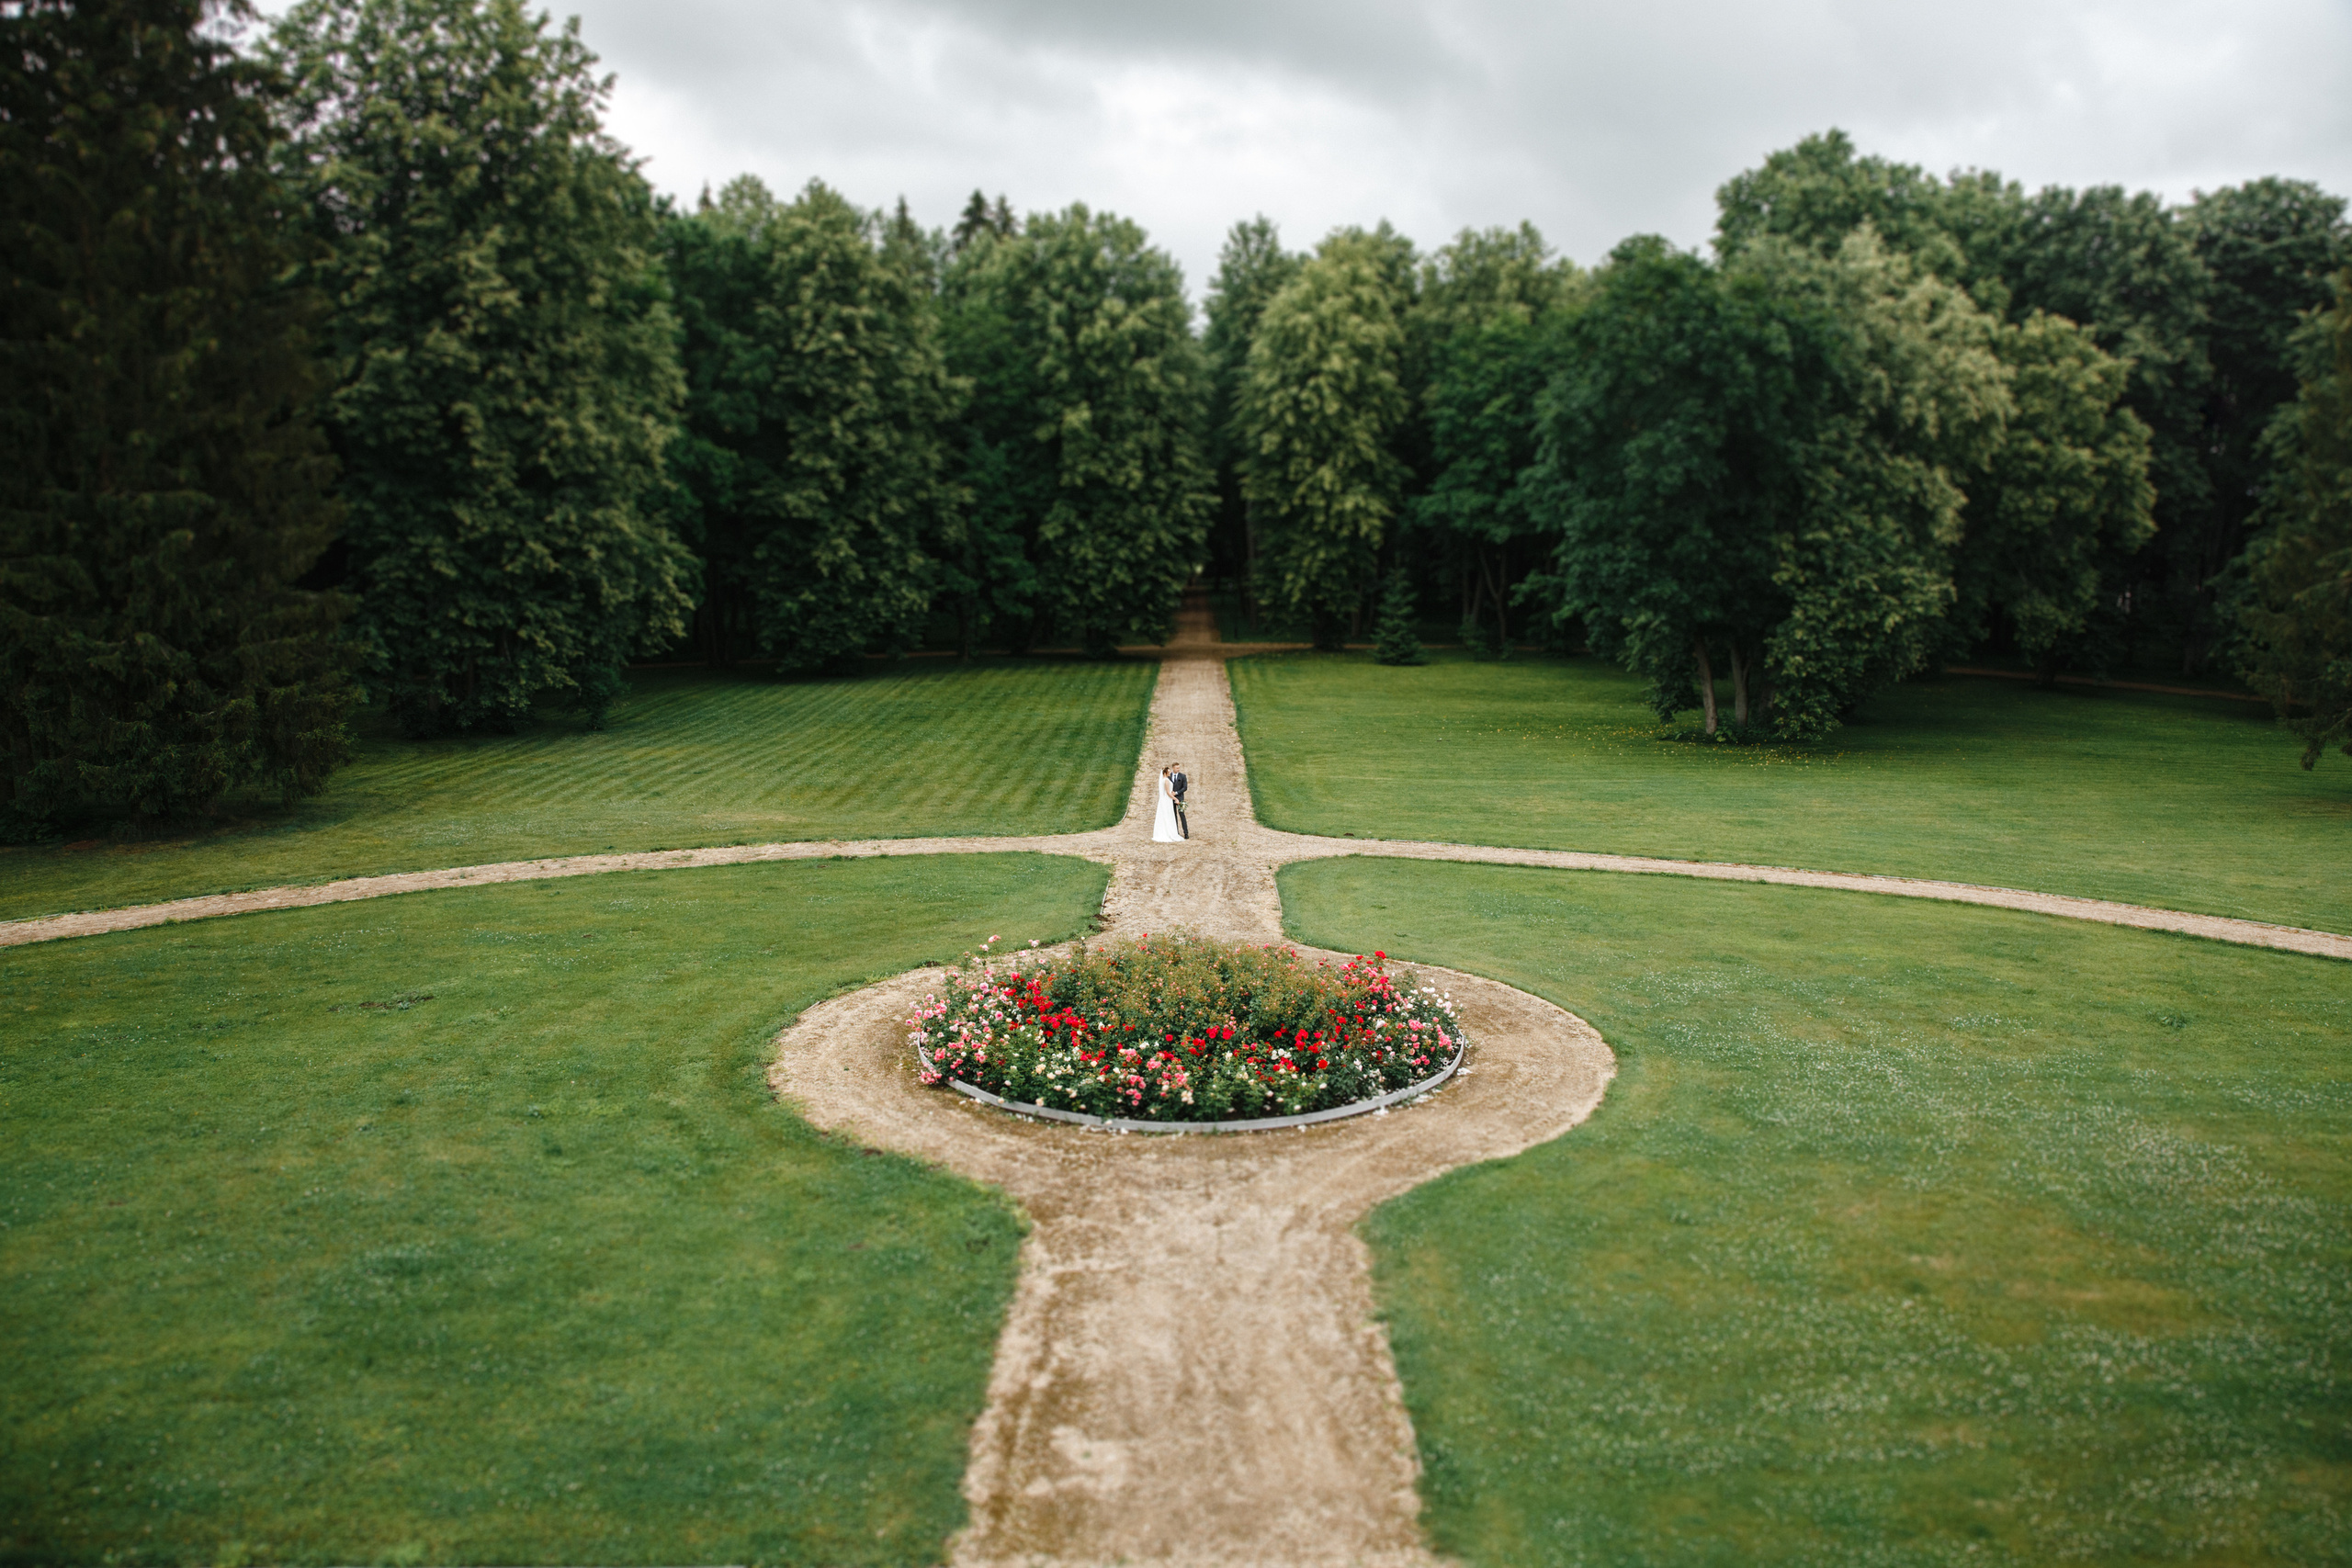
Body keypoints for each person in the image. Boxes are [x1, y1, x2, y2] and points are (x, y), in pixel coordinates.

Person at [1152, 763, 1183, 842]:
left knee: (1166, 815)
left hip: (1166, 799)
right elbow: (1167, 793)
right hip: (1167, 800)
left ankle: (1167, 830)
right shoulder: (1166, 780)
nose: (1170, 773)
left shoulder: (1164, 779)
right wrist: (1175, 799)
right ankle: (1168, 832)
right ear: (1165, 773)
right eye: (1169, 772)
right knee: (1167, 815)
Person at [1169, 763, 1189, 839]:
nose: (1178, 769)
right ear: (1173, 768)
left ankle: (1186, 832)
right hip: (1171, 798)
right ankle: (1175, 832)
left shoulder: (1182, 776)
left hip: (1179, 797)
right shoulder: (1169, 776)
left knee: (1182, 815)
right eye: (1177, 768)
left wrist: (1176, 793)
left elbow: (1185, 787)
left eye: (1179, 768)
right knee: (1173, 815)